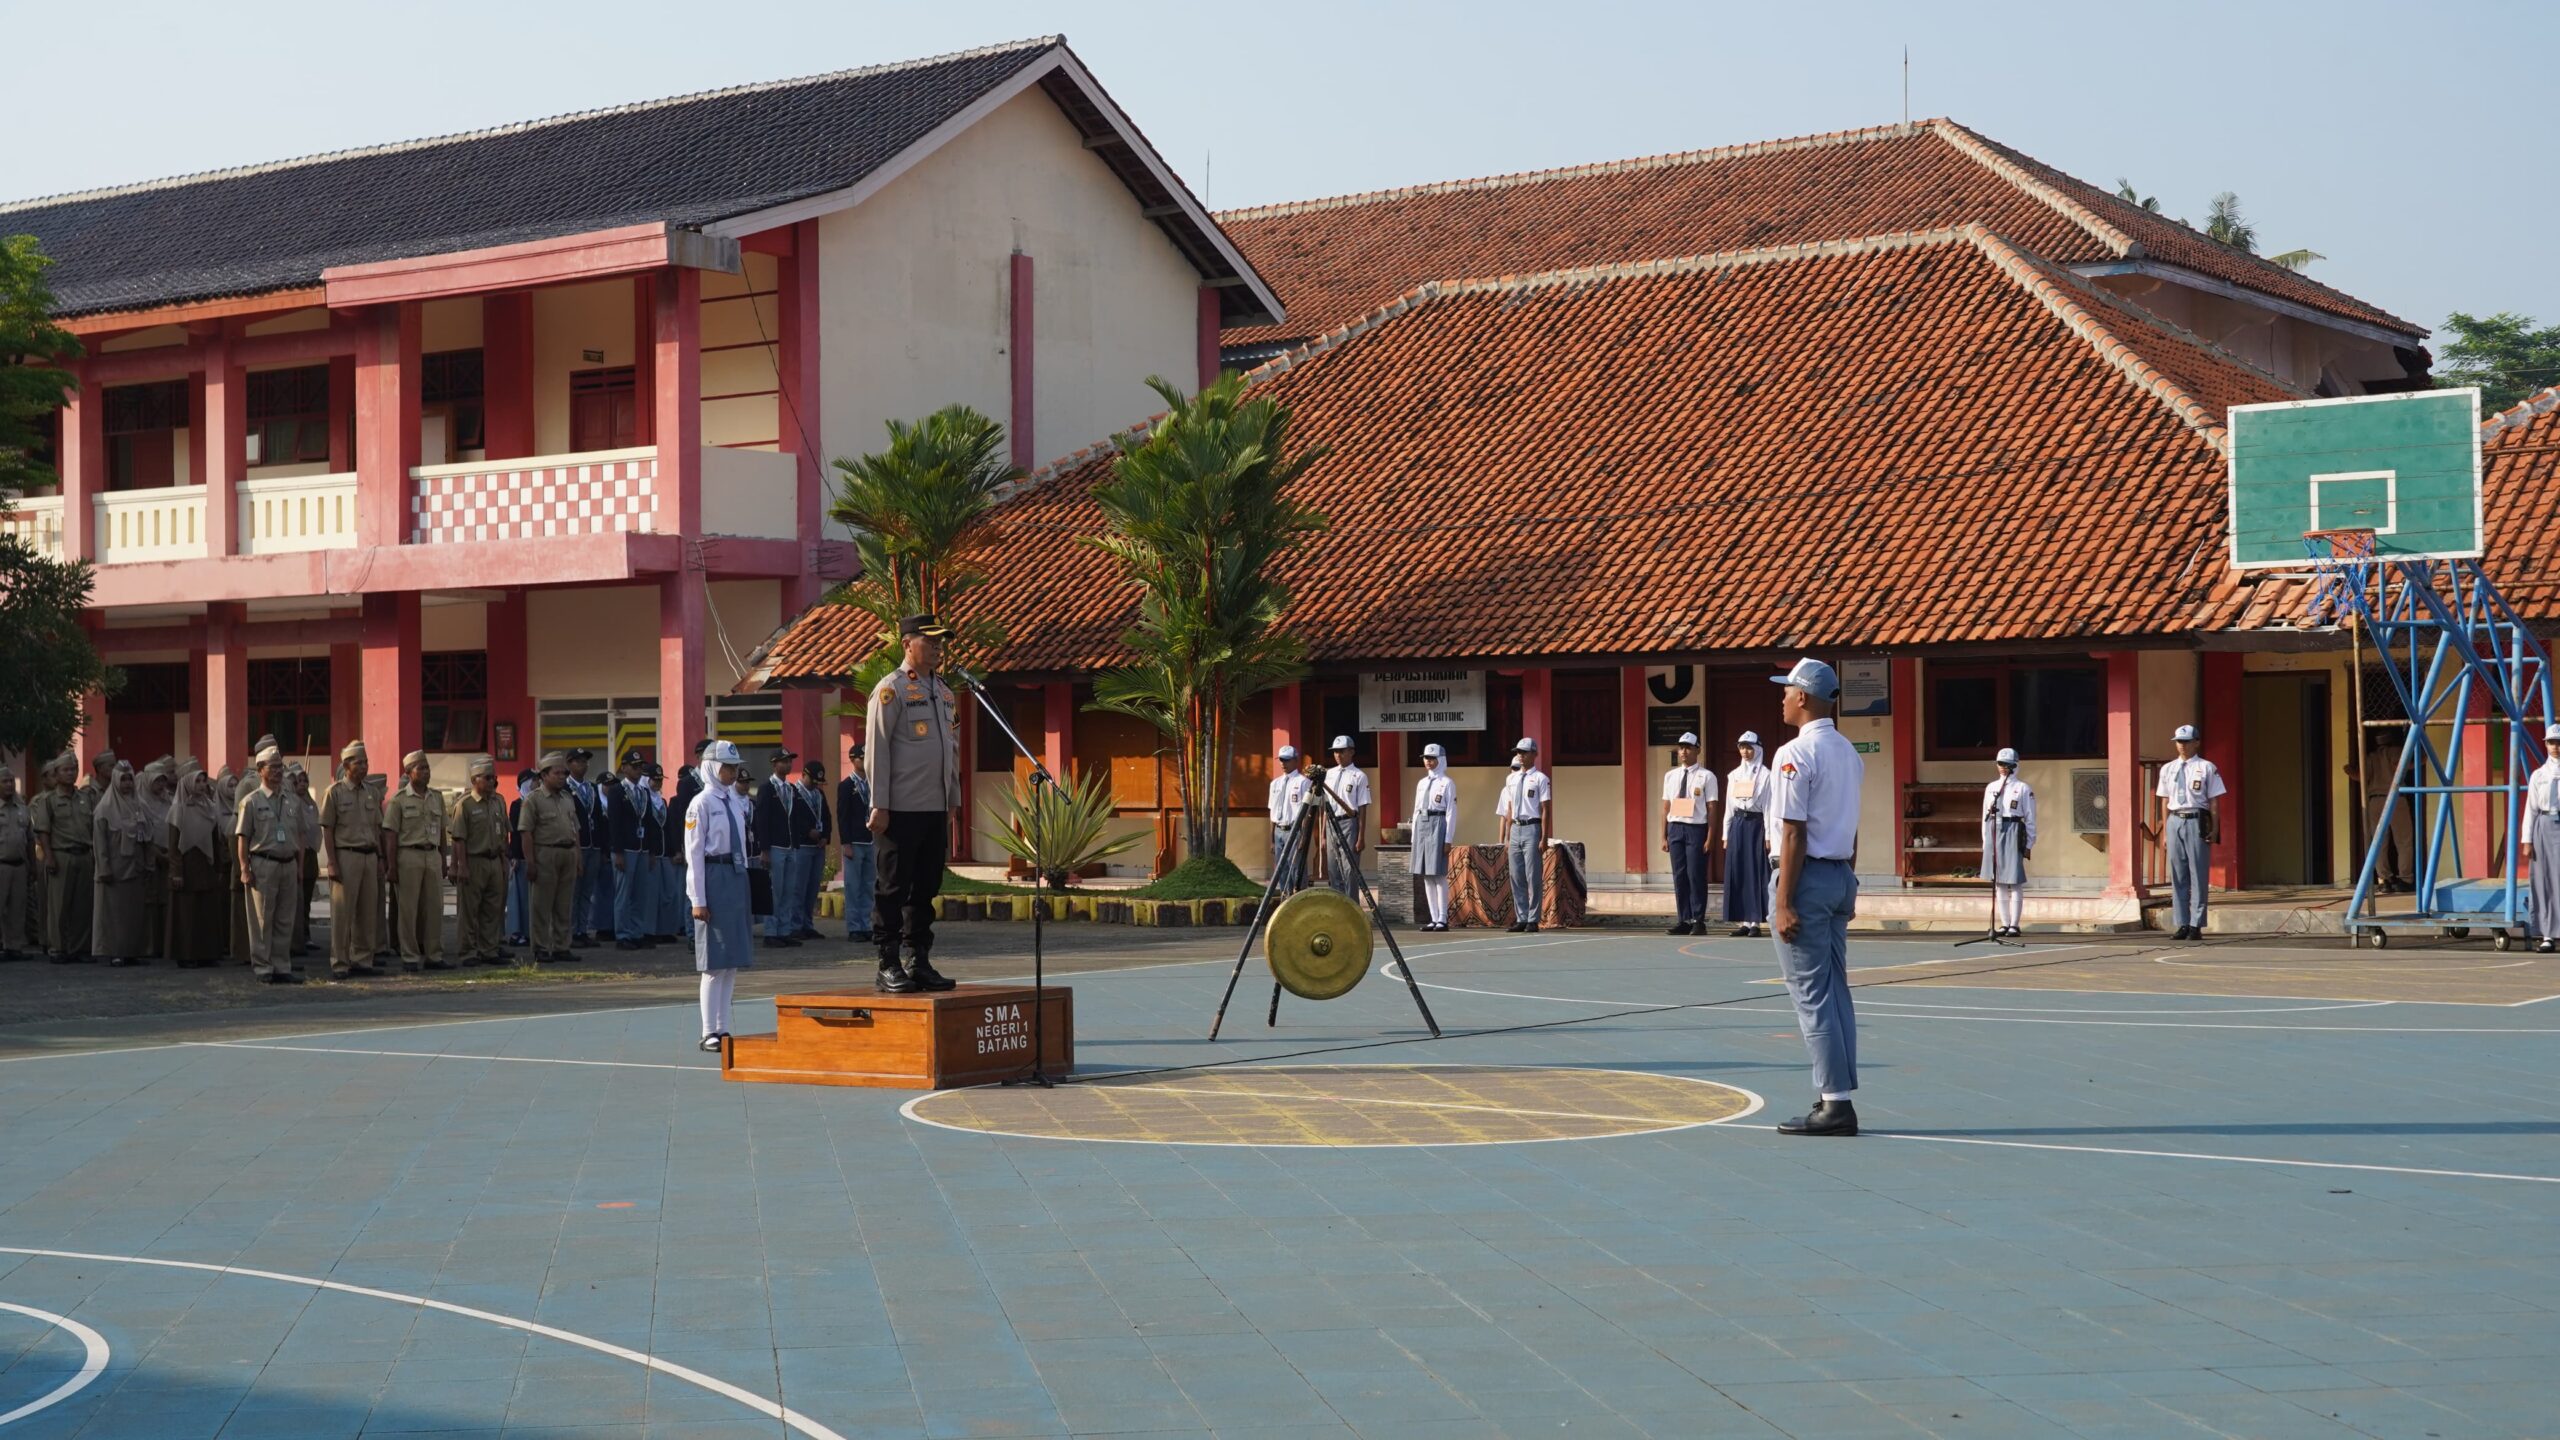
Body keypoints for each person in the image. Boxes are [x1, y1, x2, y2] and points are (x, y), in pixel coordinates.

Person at [1765, 658, 1865, 1137]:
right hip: (1839, 873)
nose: (1782, 697)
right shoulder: (1849, 752)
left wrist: (1784, 900)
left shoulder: (1793, 754)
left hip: (1805, 877)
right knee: (1835, 989)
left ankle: (1834, 1102)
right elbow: (1853, 827)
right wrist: (1849, 879)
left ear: (1802, 696)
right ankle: (1837, 1091)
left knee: (1812, 996)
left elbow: (1793, 833)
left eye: (1786, 690)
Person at [863, 614, 962, 994]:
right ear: (908, 644)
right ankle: (887, 962)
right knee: (892, 887)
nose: (938, 648)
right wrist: (880, 804)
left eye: (941, 642)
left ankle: (917, 959)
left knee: (926, 888)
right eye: (930, 641)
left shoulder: (945, 691)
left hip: (934, 808)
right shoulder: (891, 690)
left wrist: (951, 801)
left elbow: (950, 751)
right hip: (899, 808)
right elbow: (878, 751)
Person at [686, 739, 755, 1050]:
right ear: (712, 768)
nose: (732, 773)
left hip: (736, 876)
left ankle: (723, 1027)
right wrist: (697, 899)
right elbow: (694, 854)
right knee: (714, 960)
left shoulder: (734, 801)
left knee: (732, 960)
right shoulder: (700, 804)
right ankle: (708, 1030)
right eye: (727, 767)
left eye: (734, 767)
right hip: (713, 875)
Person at [234, 746, 307, 985]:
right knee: (263, 919)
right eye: (272, 767)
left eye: (280, 767)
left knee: (285, 918)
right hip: (264, 862)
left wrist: (299, 866)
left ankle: (281, 965)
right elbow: (243, 837)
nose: (278, 771)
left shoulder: (291, 801)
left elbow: (300, 835)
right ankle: (263, 967)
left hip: (288, 863)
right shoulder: (251, 801)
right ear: (260, 770)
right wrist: (244, 868)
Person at [2150, 724, 2225, 941]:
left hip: (2196, 819)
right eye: (2178, 742)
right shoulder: (2168, 769)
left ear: (2196, 742)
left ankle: (2196, 924)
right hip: (2175, 819)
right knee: (2178, 875)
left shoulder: (2206, 767)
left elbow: (2213, 800)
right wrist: (2165, 830)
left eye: (2185, 741)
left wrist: (2215, 827)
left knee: (2198, 874)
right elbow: (2164, 801)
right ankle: (2182, 922)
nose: (2181, 746)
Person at [319, 740, 384, 979]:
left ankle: (363, 960)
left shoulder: (372, 793)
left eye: (366, 762)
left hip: (369, 855)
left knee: (368, 912)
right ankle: (340, 962)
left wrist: (380, 857)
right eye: (359, 762)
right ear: (346, 765)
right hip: (346, 855)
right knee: (342, 913)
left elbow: (377, 828)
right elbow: (327, 829)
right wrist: (332, 862)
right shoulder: (334, 792)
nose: (364, 767)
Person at [382, 750, 452, 971]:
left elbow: (441, 830)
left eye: (427, 768)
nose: (425, 772)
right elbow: (391, 835)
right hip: (408, 855)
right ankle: (410, 956)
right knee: (408, 909)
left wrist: (442, 858)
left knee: (434, 908)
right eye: (420, 768)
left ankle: (434, 955)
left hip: (432, 854)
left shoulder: (436, 798)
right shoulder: (399, 801)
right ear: (408, 773)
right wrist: (391, 866)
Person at [91, 761, 156, 966]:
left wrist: (149, 863)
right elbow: (100, 843)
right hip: (115, 871)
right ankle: (115, 952)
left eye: (130, 779)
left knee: (134, 913)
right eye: (123, 779)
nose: (127, 784)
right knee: (114, 914)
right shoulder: (105, 808)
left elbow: (148, 838)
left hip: (136, 868)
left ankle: (133, 951)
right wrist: (104, 868)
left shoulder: (141, 805)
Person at [520, 752, 584, 963]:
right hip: (545, 853)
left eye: (564, 774)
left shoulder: (567, 798)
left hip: (567, 853)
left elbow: (576, 829)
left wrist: (578, 857)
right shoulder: (533, 799)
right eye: (557, 773)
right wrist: (530, 862)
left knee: (564, 904)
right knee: (541, 904)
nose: (562, 777)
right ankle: (540, 947)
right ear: (544, 775)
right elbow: (526, 832)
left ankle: (561, 946)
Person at [31, 751, 93, 963]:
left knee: (82, 906)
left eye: (73, 769)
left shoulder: (85, 798)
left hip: (84, 855)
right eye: (65, 770)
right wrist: (48, 857)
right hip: (61, 855)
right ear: (56, 774)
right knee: (59, 906)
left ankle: (80, 948)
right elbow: (43, 831)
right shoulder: (48, 801)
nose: (70, 773)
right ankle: (57, 948)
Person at [166, 762, 229, 968]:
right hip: (188, 865)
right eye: (197, 781)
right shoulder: (178, 809)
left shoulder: (210, 807)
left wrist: (219, 868)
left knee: (207, 910)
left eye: (204, 780)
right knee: (187, 912)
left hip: (207, 866)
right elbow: (174, 845)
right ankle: (187, 954)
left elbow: (216, 840)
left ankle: (207, 952)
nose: (202, 785)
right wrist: (176, 872)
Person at [449, 756, 511, 966]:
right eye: (487, 777)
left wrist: (504, 860)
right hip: (474, 861)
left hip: (494, 860)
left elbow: (503, 833)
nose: (492, 781)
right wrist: (461, 866)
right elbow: (459, 838)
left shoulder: (499, 801)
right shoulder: (465, 805)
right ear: (475, 780)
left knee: (493, 909)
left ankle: (489, 949)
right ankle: (467, 951)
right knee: (469, 910)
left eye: (494, 777)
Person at [751, 749, 810, 948]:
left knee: (788, 890)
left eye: (789, 761)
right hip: (775, 846)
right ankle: (771, 931)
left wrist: (797, 844)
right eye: (783, 762)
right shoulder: (767, 788)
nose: (788, 765)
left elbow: (795, 819)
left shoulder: (791, 789)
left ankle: (784, 930)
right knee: (774, 891)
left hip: (790, 846)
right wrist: (764, 848)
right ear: (774, 764)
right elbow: (761, 820)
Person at [1662, 732, 1717, 936]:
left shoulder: (1707, 776)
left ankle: (1698, 919)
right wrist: (1663, 835)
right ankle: (1683, 918)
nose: (1683, 752)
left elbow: (1712, 807)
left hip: (1696, 828)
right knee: (1679, 875)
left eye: (1688, 748)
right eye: (1681, 748)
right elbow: (1665, 806)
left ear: (1697, 750)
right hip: (1675, 827)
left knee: (1696, 875)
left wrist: (1710, 836)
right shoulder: (1671, 776)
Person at [1494, 737, 1552, 934]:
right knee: (1516, 875)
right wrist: (1508, 836)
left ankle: (1533, 919)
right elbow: (1509, 809)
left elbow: (1545, 809)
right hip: (1516, 828)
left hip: (1532, 827)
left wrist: (1544, 837)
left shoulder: (1541, 779)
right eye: (1518, 751)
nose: (1520, 755)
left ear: (1534, 754)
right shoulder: (1511, 779)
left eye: (1524, 752)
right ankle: (1522, 917)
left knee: (1532, 875)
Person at [1980, 747, 2037, 938]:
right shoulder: (1992, 788)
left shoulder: (2022, 788)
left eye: (2007, 764)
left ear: (2015, 766)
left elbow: (2030, 817)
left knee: (2014, 880)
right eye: (2000, 764)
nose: (2003, 768)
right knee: (1999, 882)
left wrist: (2029, 842)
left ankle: (2014, 924)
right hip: (1994, 830)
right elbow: (1984, 816)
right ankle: (2004, 923)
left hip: (2013, 829)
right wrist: (1985, 840)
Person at [1723, 732, 1772, 937]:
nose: (1745, 751)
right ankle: (1743, 920)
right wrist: (1725, 834)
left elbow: (1770, 807)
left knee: (1755, 872)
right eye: (1742, 747)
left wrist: (1769, 835)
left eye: (1749, 747)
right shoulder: (1733, 775)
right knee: (1739, 871)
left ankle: (1756, 923)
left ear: (1758, 749)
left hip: (1756, 825)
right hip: (1738, 824)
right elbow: (1728, 806)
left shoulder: (1766, 775)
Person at [606, 749, 655, 952]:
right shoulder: (618, 791)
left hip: (642, 848)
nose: (637, 770)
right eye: (633, 767)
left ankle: (637, 932)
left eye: (640, 767)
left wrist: (652, 850)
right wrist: (617, 852)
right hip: (625, 848)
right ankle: (623, 934)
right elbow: (614, 823)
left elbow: (650, 821)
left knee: (640, 894)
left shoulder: (644, 792)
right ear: (624, 768)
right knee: (623, 894)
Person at [2361, 726, 2415, 893]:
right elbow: (2405, 766)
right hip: (2395, 798)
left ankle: (2384, 879)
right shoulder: (2396, 751)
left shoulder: (2370, 757)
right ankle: (2405, 879)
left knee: (2378, 842)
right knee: (2403, 840)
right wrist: (2423, 759)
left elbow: (2360, 776)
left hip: (2375, 800)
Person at [1410, 743, 1456, 931]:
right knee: (1426, 875)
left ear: (1441, 760)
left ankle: (1443, 918)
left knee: (1438, 874)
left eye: (1432, 758)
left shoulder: (1447, 783)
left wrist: (1448, 838)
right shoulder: (1422, 783)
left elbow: (1452, 812)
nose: (1428, 761)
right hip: (1422, 823)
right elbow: (1415, 810)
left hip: (1438, 824)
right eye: (1426, 758)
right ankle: (1433, 917)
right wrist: (1414, 836)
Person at [1319, 736, 1371, 897]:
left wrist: (1361, 836)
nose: (1338, 755)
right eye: (1335, 751)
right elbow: (1325, 807)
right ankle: (1338, 910)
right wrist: (1322, 835)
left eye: (1342, 751)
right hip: (1331, 823)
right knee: (1333, 870)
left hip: (1349, 823)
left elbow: (1362, 807)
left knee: (1350, 870)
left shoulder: (1359, 776)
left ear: (1351, 752)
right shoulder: (1329, 774)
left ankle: (1352, 908)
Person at [2526, 723, 2560, 955]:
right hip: (2545, 824)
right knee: (2544, 880)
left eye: (2558, 742)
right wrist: (2527, 839)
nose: (2555, 747)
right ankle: (2548, 934)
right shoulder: (2539, 775)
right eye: (2551, 742)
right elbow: (2531, 808)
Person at [838, 741, 875, 942]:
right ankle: (854, 927)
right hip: (854, 842)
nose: (865, 760)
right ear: (853, 760)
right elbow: (842, 816)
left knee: (868, 885)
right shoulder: (846, 786)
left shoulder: (872, 783)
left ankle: (865, 924)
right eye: (862, 757)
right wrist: (846, 843)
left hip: (870, 840)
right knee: (853, 886)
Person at [138, 758, 175, 959]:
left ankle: (164, 944)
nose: (161, 785)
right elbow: (142, 834)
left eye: (163, 780)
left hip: (169, 855)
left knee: (166, 901)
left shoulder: (170, 799)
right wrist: (157, 854)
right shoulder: (140, 802)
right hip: (150, 855)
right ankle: (149, 946)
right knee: (150, 901)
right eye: (156, 781)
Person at [284, 763, 320, 956]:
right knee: (295, 900)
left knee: (306, 900)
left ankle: (305, 935)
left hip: (310, 855)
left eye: (305, 780)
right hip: (296, 855)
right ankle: (294, 938)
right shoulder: (290, 803)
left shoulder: (310, 803)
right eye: (298, 781)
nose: (302, 784)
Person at [1266, 745, 1311, 894]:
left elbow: (1307, 813)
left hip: (1295, 830)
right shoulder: (1275, 784)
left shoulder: (1303, 782)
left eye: (1287, 760)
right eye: (1281, 760)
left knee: (1297, 868)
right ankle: (1285, 902)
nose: (1283, 764)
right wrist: (1272, 839)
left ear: (1295, 760)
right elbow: (1272, 811)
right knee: (1282, 869)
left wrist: (1303, 836)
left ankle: (1300, 900)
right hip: (1279, 830)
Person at [796, 759, 832, 941]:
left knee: (812, 888)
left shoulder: (819, 794)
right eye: (813, 781)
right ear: (804, 775)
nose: (815, 786)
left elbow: (827, 816)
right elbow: (793, 818)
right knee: (799, 888)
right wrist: (806, 831)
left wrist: (826, 836)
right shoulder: (795, 793)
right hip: (802, 846)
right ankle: (796, 925)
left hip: (818, 847)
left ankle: (808, 924)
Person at [0, 766, 30, 963]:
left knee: (17, 909)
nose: (9, 784)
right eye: (5, 781)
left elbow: (30, 837)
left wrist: (33, 866)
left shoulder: (22, 809)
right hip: (1, 864)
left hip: (19, 865)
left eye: (11, 781)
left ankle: (14, 947)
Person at [504, 767, 535, 948]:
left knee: (531, 899)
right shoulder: (518, 804)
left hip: (534, 856)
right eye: (533, 781)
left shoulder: (537, 803)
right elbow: (515, 833)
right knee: (518, 898)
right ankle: (517, 933)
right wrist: (514, 855)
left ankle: (531, 931)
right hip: (520, 858)